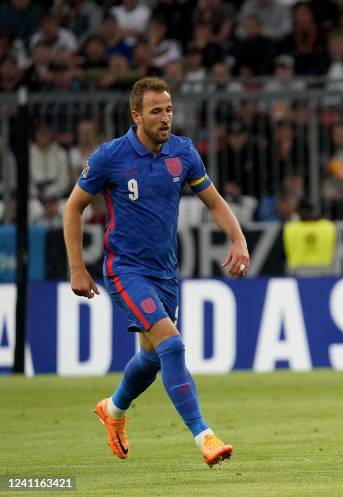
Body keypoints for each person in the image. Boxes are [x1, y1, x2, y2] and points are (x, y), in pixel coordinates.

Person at [62, 77, 250, 467]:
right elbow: (72, 208)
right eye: (156, 112)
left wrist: (238, 239)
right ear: (136, 116)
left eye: (169, 110)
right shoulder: (109, 157)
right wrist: (77, 269)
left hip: (166, 272)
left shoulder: (182, 152)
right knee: (173, 344)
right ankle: (205, 436)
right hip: (125, 269)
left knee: (151, 357)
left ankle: (112, 410)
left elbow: (214, 202)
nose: (166, 118)